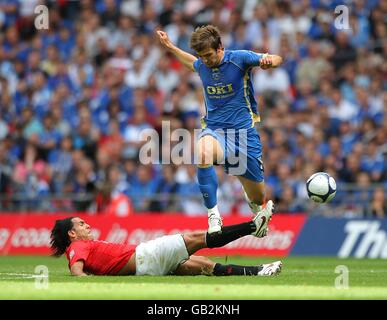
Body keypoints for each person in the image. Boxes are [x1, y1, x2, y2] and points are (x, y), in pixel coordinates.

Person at [156, 25, 283, 234]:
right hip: (215, 131)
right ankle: (214, 216)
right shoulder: (202, 64)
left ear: (220, 47)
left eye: (208, 55)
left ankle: (254, 204)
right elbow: (191, 62)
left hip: (244, 136)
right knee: (202, 152)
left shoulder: (239, 58)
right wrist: (170, 46)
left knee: (258, 197)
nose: (205, 60)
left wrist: (270, 62)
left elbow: (276, 58)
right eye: (201, 56)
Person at [50, 216, 282, 277]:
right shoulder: (77, 247)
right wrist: (84, 279)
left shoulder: (84, 245)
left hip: (147, 268)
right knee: (201, 237)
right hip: (147, 256)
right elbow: (76, 270)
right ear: (72, 233)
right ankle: (254, 227)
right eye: (81, 224)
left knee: (206, 267)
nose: (87, 224)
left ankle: (261, 270)